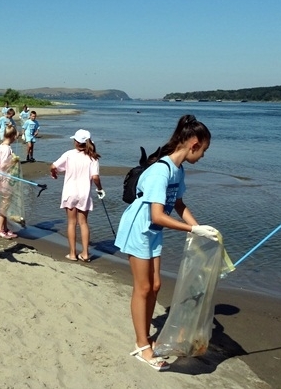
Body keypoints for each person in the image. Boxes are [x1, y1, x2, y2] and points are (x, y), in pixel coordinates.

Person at [113, 114, 217, 371]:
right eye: (203, 150)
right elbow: (157, 214)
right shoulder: (160, 170)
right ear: (193, 144)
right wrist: (191, 229)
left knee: (156, 285)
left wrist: (200, 229)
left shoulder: (178, 170)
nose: (202, 156)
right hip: (138, 230)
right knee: (143, 287)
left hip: (153, 230)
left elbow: (179, 205)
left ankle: (146, 335)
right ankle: (142, 344)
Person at [50, 129, 105, 263]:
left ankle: (72, 253)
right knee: (83, 223)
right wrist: (100, 189)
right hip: (84, 193)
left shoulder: (69, 154)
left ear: (76, 142)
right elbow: (95, 177)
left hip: (70, 192)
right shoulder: (93, 157)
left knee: (71, 222)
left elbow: (53, 165)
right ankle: (85, 254)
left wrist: (54, 173)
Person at [0, 125, 20, 238]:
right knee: (5, 203)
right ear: (13, 136)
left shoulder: (2, 146)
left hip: (2, 177)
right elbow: (3, 165)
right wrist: (13, 162)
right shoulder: (6, 148)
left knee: (5, 202)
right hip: (5, 178)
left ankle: (5, 227)